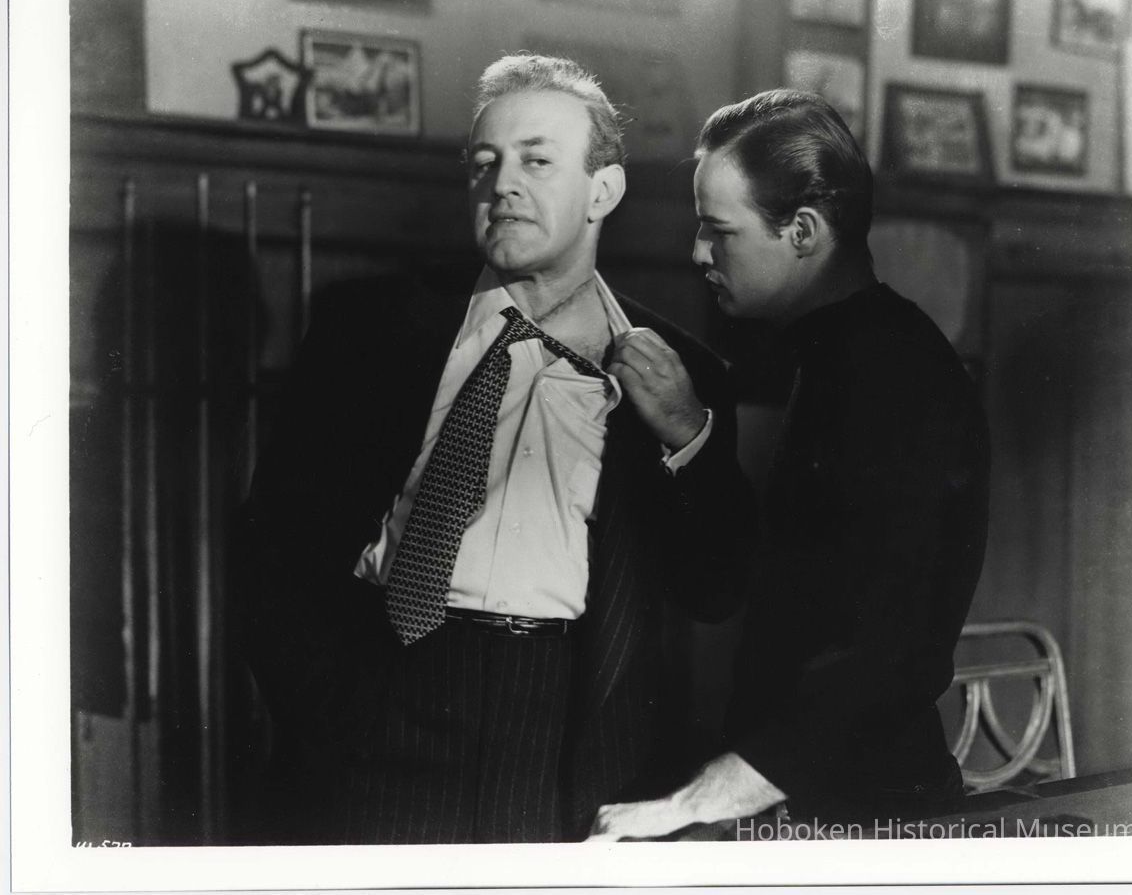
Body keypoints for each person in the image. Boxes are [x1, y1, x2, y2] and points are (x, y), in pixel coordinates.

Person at [236, 54, 752, 844]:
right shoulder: (367, 326)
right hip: (377, 700)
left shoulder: (683, 372)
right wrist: (326, 710)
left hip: (561, 730)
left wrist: (689, 435)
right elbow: (272, 547)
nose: (502, 184)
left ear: (603, 191)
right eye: (485, 164)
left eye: (536, 161)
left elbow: (715, 589)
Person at [588, 90, 990, 840]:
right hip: (823, 791)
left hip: (870, 813)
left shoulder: (894, 375)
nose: (698, 254)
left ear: (801, 231)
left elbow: (883, 649)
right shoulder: (846, 347)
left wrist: (696, 800)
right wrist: (686, 429)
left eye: (719, 231)